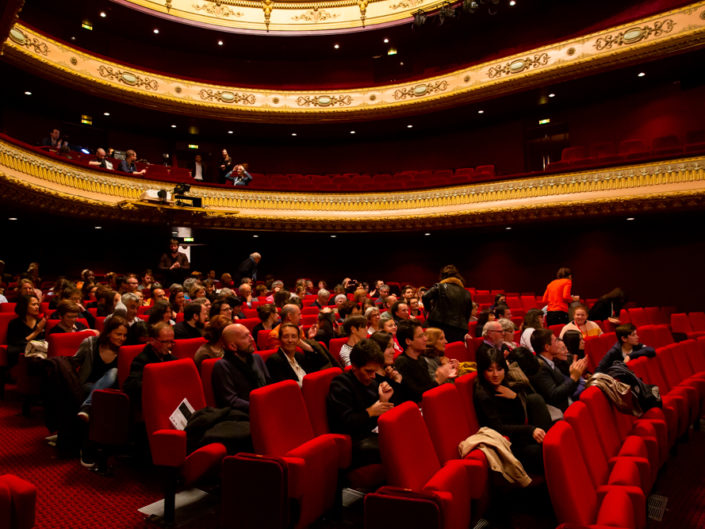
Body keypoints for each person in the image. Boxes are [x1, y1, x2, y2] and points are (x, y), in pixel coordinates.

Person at [474, 347, 553, 475]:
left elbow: (519, 417)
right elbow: (498, 428)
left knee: (535, 400)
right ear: (483, 371)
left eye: (499, 369)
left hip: (518, 435)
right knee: (539, 452)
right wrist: (530, 430)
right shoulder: (483, 394)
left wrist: (514, 398)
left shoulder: (503, 385)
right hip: (507, 445)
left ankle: (553, 446)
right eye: (490, 370)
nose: (495, 374)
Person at [327, 339, 396, 468]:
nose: (373, 376)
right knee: (394, 447)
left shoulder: (373, 383)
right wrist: (370, 411)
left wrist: (384, 400)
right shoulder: (340, 384)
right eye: (368, 371)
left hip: (372, 434)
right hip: (355, 441)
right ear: (354, 367)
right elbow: (345, 423)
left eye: (375, 371)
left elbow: (377, 420)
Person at [73, 316, 128, 422]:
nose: (122, 338)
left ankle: (87, 407)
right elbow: (74, 362)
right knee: (96, 390)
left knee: (114, 372)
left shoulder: (124, 351)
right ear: (108, 333)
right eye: (118, 334)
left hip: (112, 389)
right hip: (88, 384)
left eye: (125, 335)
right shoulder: (90, 344)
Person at [212, 323, 270, 413]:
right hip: (242, 415)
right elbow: (231, 401)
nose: (252, 339)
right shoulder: (222, 366)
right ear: (233, 346)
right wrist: (260, 406)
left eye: (250, 334)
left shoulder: (256, 358)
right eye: (245, 337)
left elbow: (269, 384)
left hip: (264, 408)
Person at [529, 328, 588, 412]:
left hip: (568, 403)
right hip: (561, 411)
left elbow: (565, 386)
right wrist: (573, 378)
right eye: (556, 341)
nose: (559, 342)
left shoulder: (550, 362)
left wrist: (576, 375)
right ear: (547, 347)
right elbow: (554, 395)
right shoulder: (540, 368)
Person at [123, 322, 176, 411]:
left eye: (171, 342)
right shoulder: (141, 360)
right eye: (165, 342)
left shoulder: (172, 359)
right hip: (150, 405)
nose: (170, 346)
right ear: (152, 340)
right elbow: (130, 386)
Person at [394, 320, 451, 403]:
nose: (425, 339)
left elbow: (428, 385)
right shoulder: (402, 362)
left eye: (424, 335)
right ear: (408, 341)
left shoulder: (420, 358)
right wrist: (438, 381)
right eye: (420, 336)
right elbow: (416, 395)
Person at [422, 265, 473, 343]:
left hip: (439, 325)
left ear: (442, 276)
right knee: (453, 351)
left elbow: (425, 296)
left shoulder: (442, 286)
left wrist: (429, 309)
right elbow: (468, 313)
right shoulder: (466, 292)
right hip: (459, 328)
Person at [6, 295, 46, 368]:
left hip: (41, 353)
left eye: (38, 304)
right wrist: (36, 332)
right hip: (21, 352)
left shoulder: (41, 322)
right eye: (34, 304)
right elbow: (15, 343)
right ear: (24, 306)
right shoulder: (14, 323)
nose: (37, 307)